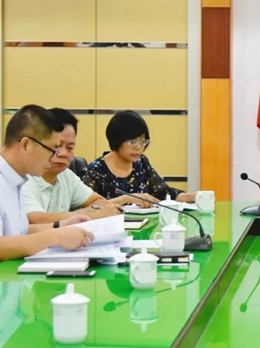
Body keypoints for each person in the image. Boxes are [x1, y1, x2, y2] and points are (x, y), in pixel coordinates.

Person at [23, 108, 158, 225]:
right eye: (57, 146)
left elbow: (99, 201)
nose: (63, 154)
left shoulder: (67, 176)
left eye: (70, 148)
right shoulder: (25, 177)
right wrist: (87, 214)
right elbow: (34, 219)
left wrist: (95, 210)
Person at [0, 105, 94, 260]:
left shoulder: (16, 180)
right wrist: (55, 237)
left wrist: (62, 226)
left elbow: (18, 233)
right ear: (25, 145)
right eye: (53, 149)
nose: (55, 156)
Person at [81, 110, 195, 203]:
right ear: (116, 140)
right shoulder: (94, 171)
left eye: (142, 141)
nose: (139, 147)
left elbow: (164, 193)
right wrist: (127, 198)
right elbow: (88, 207)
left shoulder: (141, 162)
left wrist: (194, 196)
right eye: (133, 142)